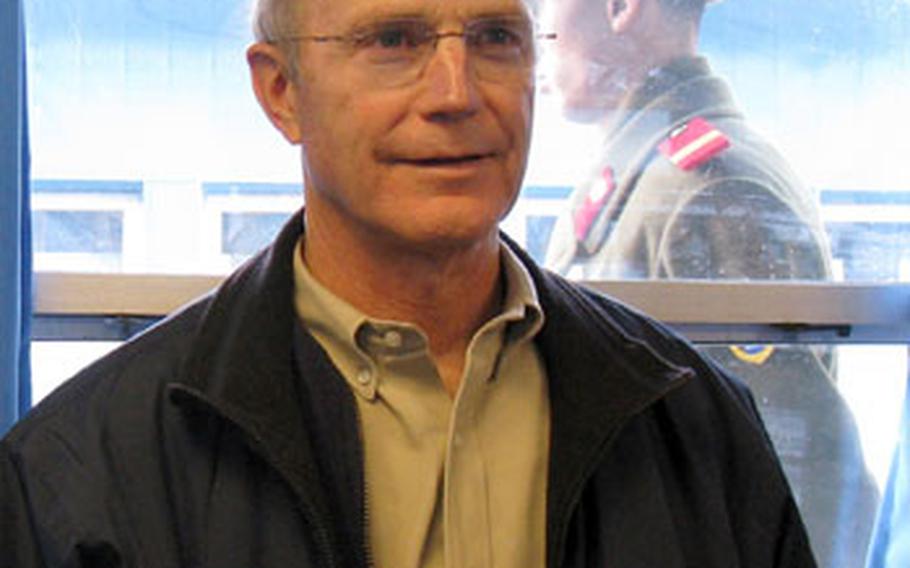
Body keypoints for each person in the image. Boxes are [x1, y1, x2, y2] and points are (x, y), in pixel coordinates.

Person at [1, 0, 816, 566]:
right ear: (280, 91)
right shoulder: (82, 473)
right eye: (393, 39)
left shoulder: (696, 425)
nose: (456, 93)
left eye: (497, 36)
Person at [542, 0, 878, 566]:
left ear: (622, 7)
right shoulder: (642, 177)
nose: (540, 25)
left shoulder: (710, 190)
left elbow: (807, 479)